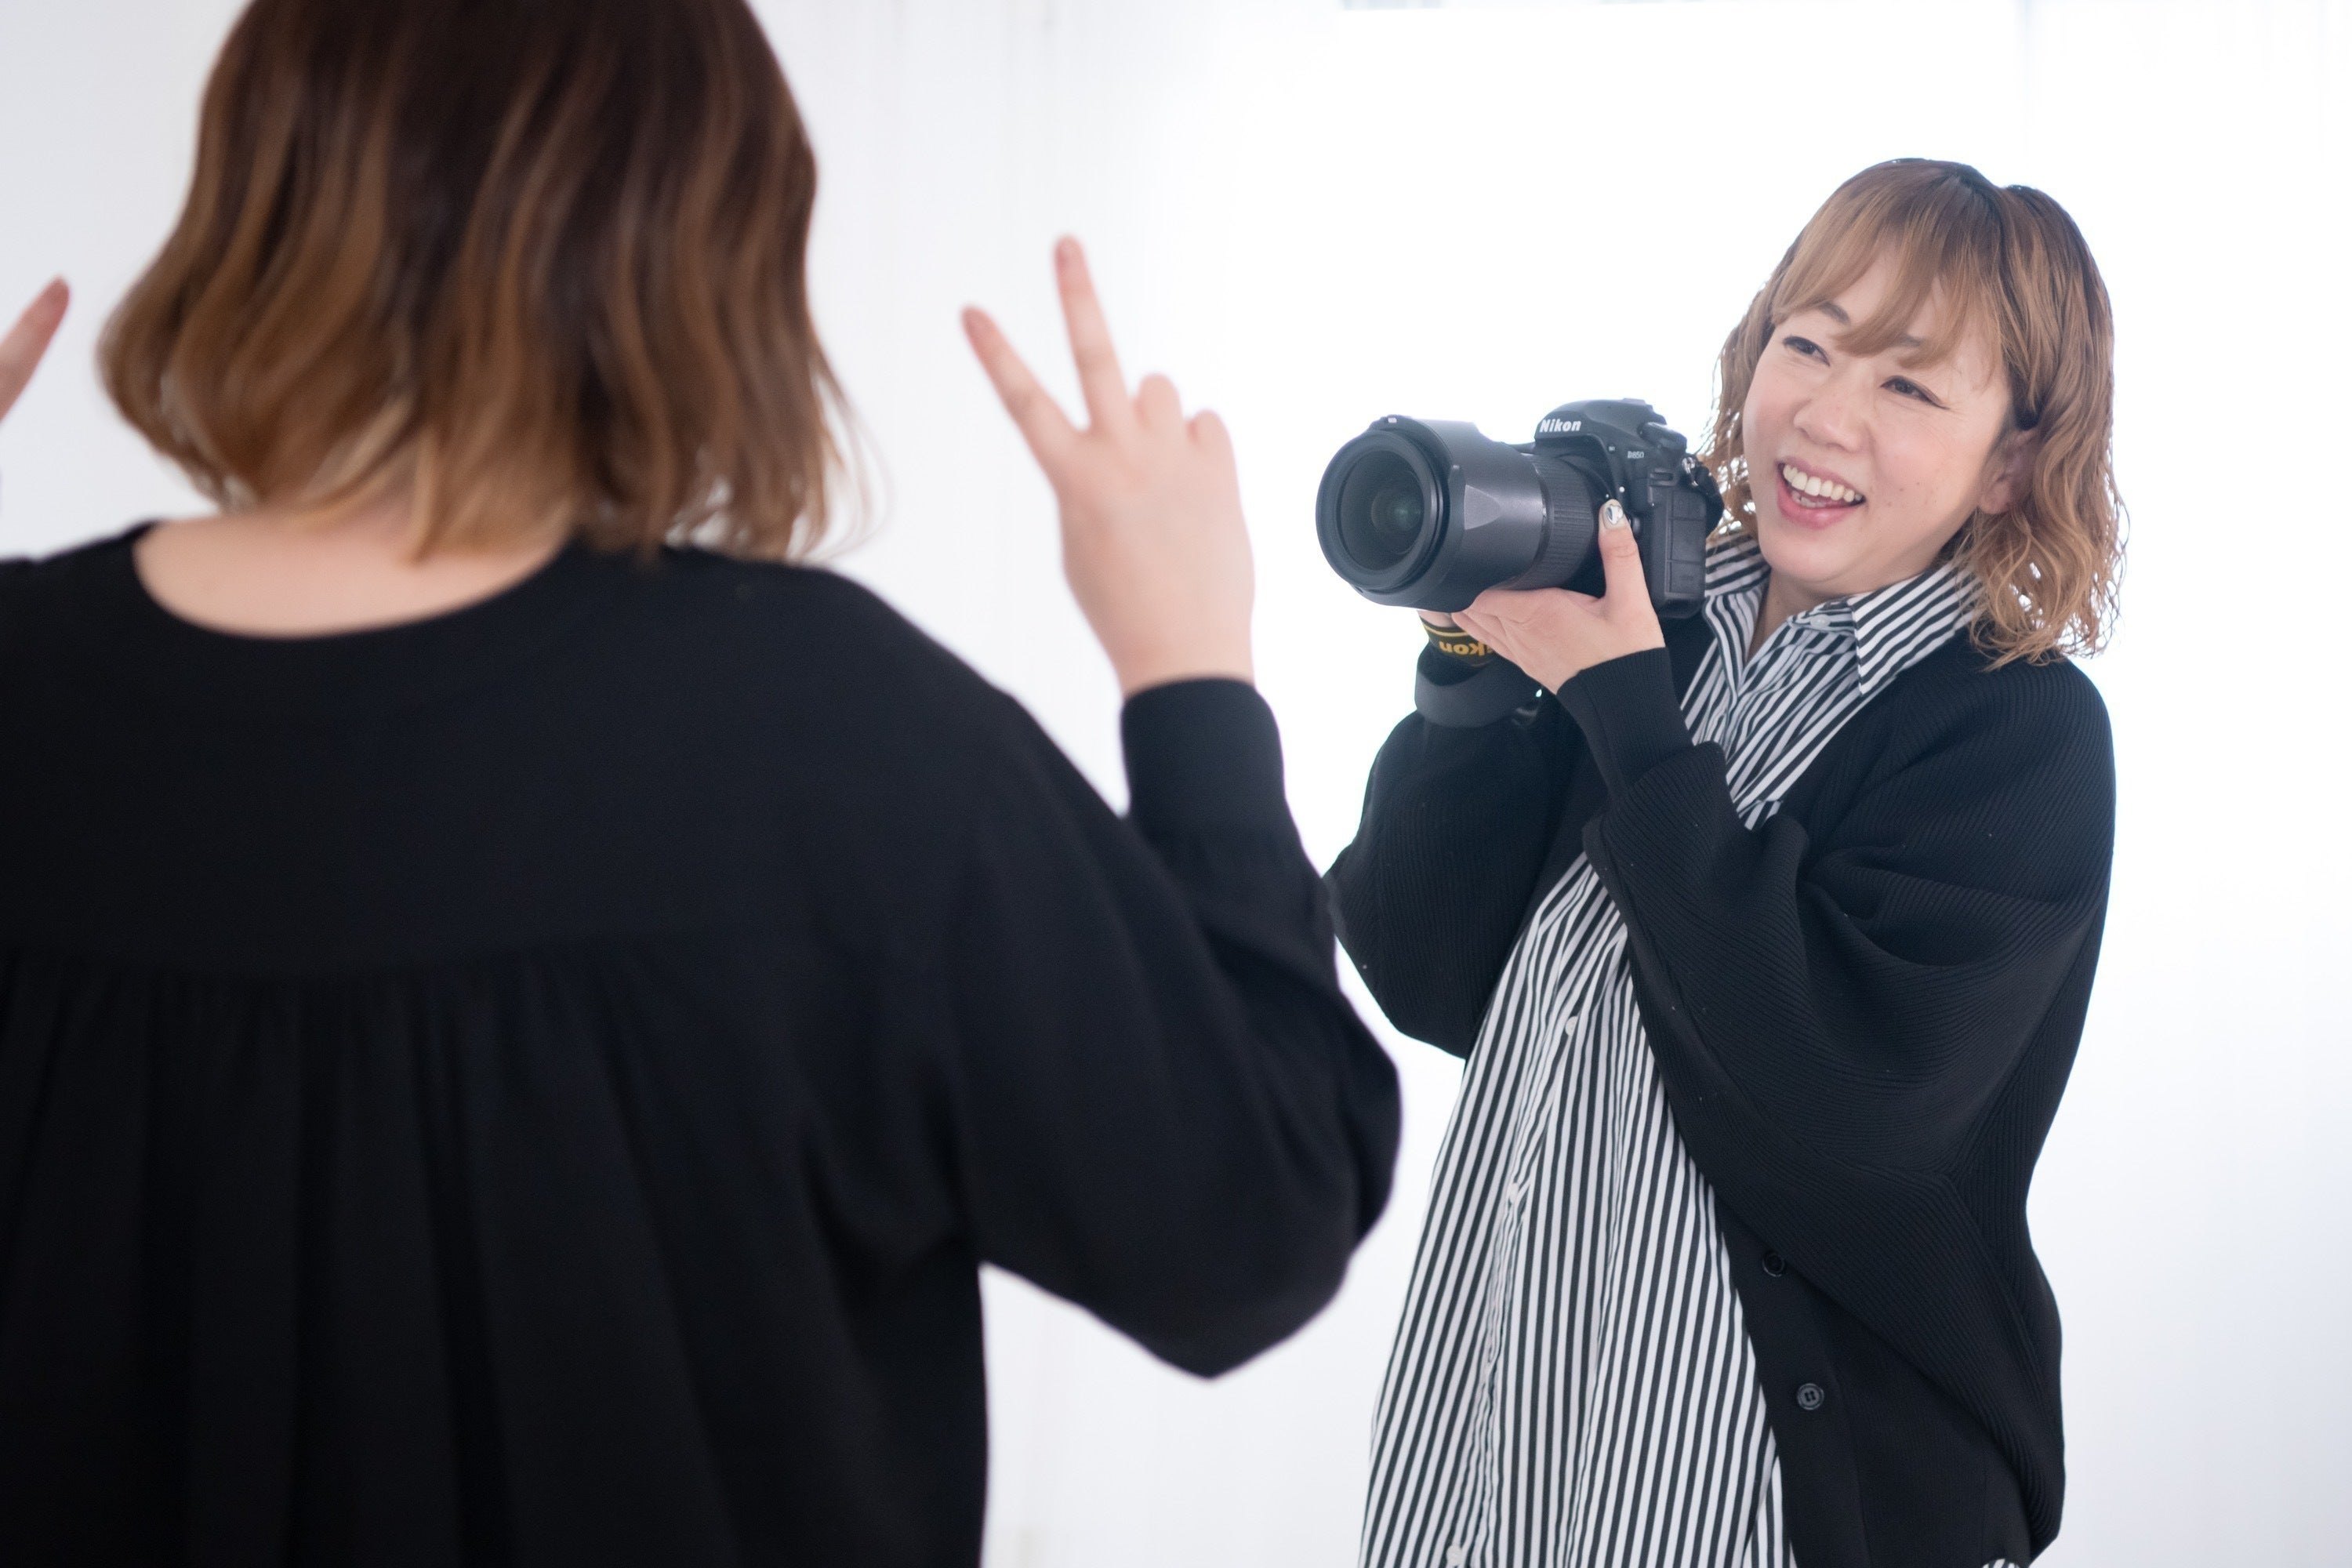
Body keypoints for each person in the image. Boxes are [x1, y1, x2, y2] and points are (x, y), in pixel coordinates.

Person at [0, 1, 1399, 1563]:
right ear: (703, 249)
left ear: (257, 197)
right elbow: (1243, 1223)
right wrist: (1191, 672)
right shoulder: (838, 739)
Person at [1330, 159, 2122, 1568]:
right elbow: (1427, 968)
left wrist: (1632, 726)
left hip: (1777, 1497)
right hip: (1519, 1441)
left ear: (2012, 462)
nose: (1825, 414)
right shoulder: (1657, 625)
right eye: (1806, 344)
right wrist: (1468, 668)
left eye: (1909, 384)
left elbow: (1846, 1096)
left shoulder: (2016, 731)